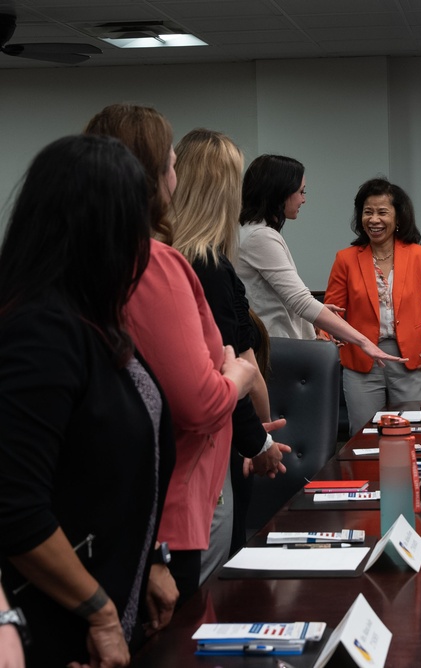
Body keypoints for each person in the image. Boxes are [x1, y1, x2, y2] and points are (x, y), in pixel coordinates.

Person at [0, 134, 174, 667]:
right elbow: (13, 507)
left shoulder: (94, 319)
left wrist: (152, 561)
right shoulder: (40, 331)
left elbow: (119, 465)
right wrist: (98, 611)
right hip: (54, 625)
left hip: (109, 599)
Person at [85, 104, 258, 604]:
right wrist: (238, 377)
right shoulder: (155, 264)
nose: (177, 178)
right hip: (171, 512)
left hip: (107, 510)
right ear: (152, 177)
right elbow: (198, 402)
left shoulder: (84, 259)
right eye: (171, 165)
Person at [171, 128, 293, 570]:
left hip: (211, 442)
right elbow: (226, 373)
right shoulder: (205, 264)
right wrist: (258, 441)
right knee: (209, 585)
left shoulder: (172, 256)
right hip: (208, 452)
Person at [236, 155, 406, 370]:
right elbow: (300, 301)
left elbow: (270, 296)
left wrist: (319, 312)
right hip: (276, 352)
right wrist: (363, 341)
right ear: (280, 192)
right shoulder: (260, 236)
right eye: (301, 192)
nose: (303, 199)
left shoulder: (248, 231)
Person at [324, 177, 421, 435]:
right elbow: (331, 311)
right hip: (361, 360)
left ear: (398, 217)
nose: (374, 220)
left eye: (382, 212)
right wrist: (324, 338)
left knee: (417, 432)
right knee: (364, 434)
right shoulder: (345, 259)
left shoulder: (419, 256)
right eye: (367, 212)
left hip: (410, 358)